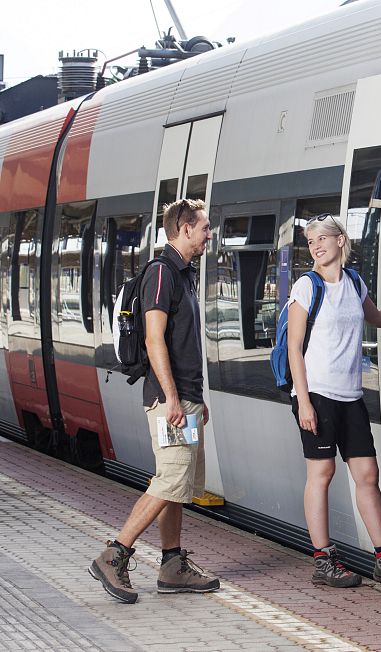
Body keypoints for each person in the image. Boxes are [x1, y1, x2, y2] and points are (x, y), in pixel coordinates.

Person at [287, 213, 381, 588]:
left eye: (322, 238)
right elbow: (293, 347)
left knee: (368, 474)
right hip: (317, 394)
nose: (316, 246)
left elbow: (377, 317)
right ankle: (323, 560)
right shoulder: (307, 285)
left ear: (340, 240)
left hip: (350, 395)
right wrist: (303, 402)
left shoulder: (353, 281)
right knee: (321, 474)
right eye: (310, 241)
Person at [89, 198, 219, 603]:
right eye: (204, 227)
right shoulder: (162, 273)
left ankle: (172, 564)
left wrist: (194, 399)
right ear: (184, 229)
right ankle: (116, 553)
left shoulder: (183, 274)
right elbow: (153, 338)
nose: (208, 234)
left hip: (184, 400)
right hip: (170, 402)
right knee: (169, 480)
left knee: (178, 484)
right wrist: (174, 399)